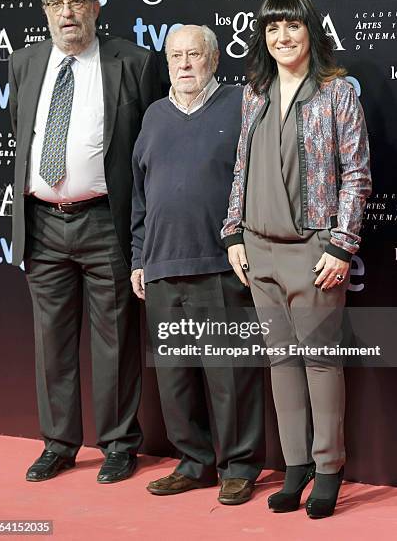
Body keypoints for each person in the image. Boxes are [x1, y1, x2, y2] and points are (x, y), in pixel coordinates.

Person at [222, 0, 371, 518]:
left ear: (310, 31)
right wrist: (234, 233)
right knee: (281, 362)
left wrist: (341, 244)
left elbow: (356, 175)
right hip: (258, 250)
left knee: (321, 362)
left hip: (314, 252)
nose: (282, 38)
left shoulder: (335, 93)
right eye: (272, 29)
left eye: (292, 27)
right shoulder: (254, 92)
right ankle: (295, 467)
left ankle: (329, 468)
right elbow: (240, 166)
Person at [8, 0, 161, 483]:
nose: (67, 13)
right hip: (44, 223)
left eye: (77, 2)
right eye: (57, 4)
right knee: (50, 341)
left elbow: (149, 149)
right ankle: (58, 443)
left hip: (105, 221)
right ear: (46, 11)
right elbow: (20, 135)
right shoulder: (25, 63)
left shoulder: (133, 63)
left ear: (95, 7)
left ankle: (119, 443)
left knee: (116, 340)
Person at [131, 25, 265, 505]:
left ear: (212, 58)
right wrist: (138, 258)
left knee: (231, 372)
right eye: (176, 56)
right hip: (162, 266)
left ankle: (239, 466)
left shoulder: (240, 104)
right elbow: (140, 198)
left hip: (222, 264)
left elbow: (257, 180)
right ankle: (194, 463)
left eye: (194, 54)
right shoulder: (153, 116)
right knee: (174, 376)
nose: (184, 64)